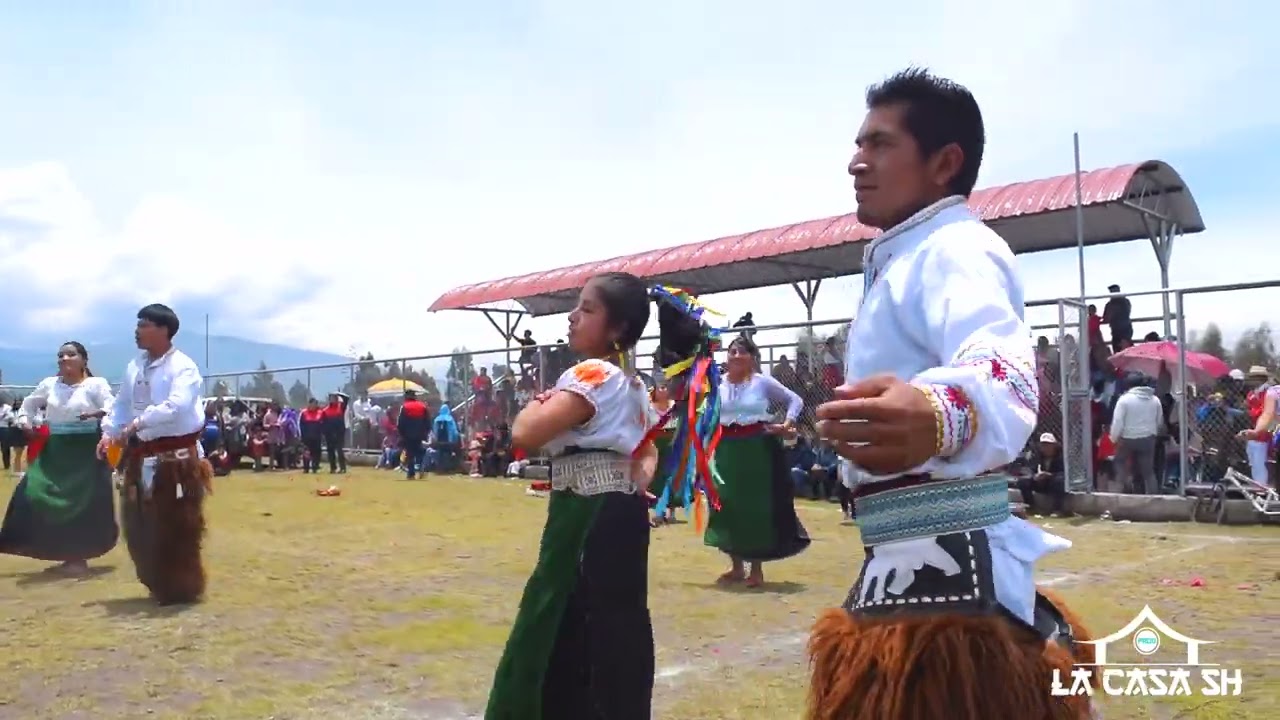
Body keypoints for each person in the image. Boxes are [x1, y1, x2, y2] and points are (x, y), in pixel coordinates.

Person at [807, 69, 1095, 719]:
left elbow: (1007, 367)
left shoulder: (956, 248)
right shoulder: (904, 256)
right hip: (909, 568)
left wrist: (943, 410)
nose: (857, 162)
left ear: (944, 163)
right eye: (858, 144)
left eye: (880, 144)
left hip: (951, 609)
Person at [485, 272, 715, 720]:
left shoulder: (592, 373)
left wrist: (538, 401)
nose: (572, 317)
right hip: (617, 513)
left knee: (560, 627)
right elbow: (647, 452)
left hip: (586, 515)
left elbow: (525, 432)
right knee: (615, 633)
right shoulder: (630, 385)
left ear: (616, 330)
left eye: (587, 309)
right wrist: (630, 486)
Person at [98, 304, 211, 605]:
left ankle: (181, 587)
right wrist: (109, 431)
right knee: (139, 524)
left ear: (164, 330)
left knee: (177, 524)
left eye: (145, 324)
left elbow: (177, 405)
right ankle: (155, 579)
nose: (138, 330)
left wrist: (139, 422)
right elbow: (121, 405)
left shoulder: (183, 367)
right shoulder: (135, 366)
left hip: (177, 460)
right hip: (141, 456)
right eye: (138, 324)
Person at [0, 341, 117, 575]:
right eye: (60, 355)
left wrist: (97, 413)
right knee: (31, 490)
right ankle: (48, 547)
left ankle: (77, 557)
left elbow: (112, 406)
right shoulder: (49, 385)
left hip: (86, 450)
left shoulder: (96, 385)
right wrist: (25, 423)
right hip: (56, 449)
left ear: (84, 360)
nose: (64, 359)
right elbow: (29, 405)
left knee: (82, 503)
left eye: (70, 354)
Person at [707, 334, 809, 588]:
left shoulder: (762, 382)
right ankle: (736, 566)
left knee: (755, 506)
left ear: (752, 357)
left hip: (757, 448)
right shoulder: (717, 383)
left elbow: (795, 400)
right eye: (732, 351)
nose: (737, 355)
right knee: (726, 503)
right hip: (726, 449)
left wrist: (788, 422)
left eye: (743, 351)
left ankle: (756, 569)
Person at [398, 390, 430, 478]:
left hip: (408, 434)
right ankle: (421, 468)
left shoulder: (405, 407)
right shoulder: (422, 406)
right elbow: (427, 421)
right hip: (420, 433)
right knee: (419, 451)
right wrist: (426, 433)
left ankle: (411, 473)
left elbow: (401, 422)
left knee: (410, 453)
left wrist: (401, 433)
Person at [321, 392, 349, 473]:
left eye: (335, 398)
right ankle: (333, 468)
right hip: (329, 433)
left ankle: (342, 467)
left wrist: (338, 394)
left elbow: (347, 398)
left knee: (340, 450)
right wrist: (324, 433)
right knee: (330, 451)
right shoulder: (325, 410)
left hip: (339, 432)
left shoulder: (341, 407)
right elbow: (323, 422)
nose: (333, 399)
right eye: (332, 398)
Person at [299, 398, 324, 473]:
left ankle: (315, 467)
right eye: (312, 404)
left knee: (316, 453)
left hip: (317, 437)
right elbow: (301, 425)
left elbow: (323, 424)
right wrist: (303, 435)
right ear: (309, 404)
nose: (313, 405)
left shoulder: (320, 412)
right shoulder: (304, 413)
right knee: (306, 453)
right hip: (307, 437)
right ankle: (306, 468)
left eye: (315, 404)